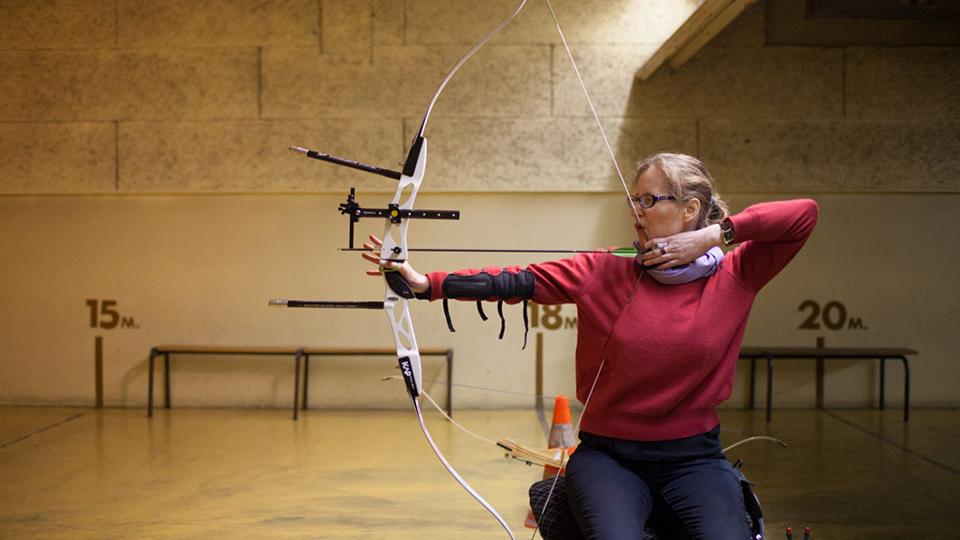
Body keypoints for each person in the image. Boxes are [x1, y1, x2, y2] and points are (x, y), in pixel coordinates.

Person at [362, 152, 819, 539]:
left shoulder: (736, 274)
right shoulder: (603, 270)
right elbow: (519, 280)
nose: (635, 211)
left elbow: (804, 215)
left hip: (693, 458)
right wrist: (427, 284)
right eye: (633, 199)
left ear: (690, 208)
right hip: (610, 459)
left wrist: (716, 234)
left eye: (648, 199)